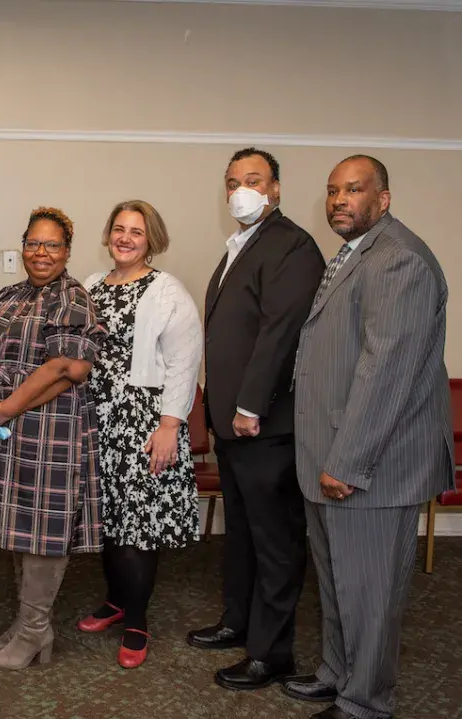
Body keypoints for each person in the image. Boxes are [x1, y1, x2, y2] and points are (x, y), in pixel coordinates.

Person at [286, 156, 454, 719]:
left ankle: (365, 703)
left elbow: (388, 372)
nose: (340, 199)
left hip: (371, 465)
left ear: (383, 198)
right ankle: (338, 674)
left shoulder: (399, 260)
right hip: (331, 454)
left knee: (371, 594)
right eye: (333, 191)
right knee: (338, 585)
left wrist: (347, 461)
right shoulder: (358, 253)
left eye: (354, 190)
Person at [189, 148, 325, 690]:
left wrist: (248, 406)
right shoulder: (240, 247)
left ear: (276, 189)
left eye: (253, 180)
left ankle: (272, 653)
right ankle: (238, 622)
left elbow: (281, 331)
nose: (240, 189)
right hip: (233, 426)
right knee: (240, 531)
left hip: (265, 424)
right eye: (232, 181)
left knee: (275, 540)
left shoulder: (292, 244)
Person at [0, 207, 105, 670]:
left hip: (53, 431)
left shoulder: (74, 299)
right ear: (23, 244)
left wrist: (6, 407)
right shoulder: (8, 295)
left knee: (44, 532)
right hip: (5, 433)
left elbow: (68, 368)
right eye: (33, 243)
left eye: (52, 245)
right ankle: (32, 623)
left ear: (67, 252)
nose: (40, 253)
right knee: (17, 526)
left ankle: (32, 632)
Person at [76, 200, 202, 669]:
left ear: (152, 240)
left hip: (143, 423)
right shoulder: (89, 285)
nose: (125, 238)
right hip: (95, 420)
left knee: (136, 526)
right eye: (119, 229)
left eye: (137, 231)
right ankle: (115, 601)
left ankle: (137, 621)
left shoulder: (168, 292)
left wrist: (170, 426)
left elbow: (184, 363)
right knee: (107, 520)